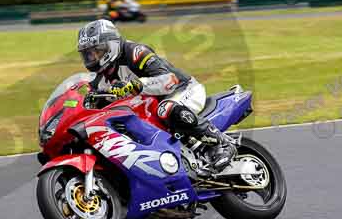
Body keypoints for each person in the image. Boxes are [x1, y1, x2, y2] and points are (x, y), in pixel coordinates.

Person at [77, 19, 236, 170]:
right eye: (88, 54)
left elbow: (169, 80)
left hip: (183, 89)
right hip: (150, 108)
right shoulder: (100, 80)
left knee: (165, 108)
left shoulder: (134, 52)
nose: (93, 58)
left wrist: (137, 85)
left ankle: (221, 143)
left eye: (96, 51)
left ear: (110, 46)